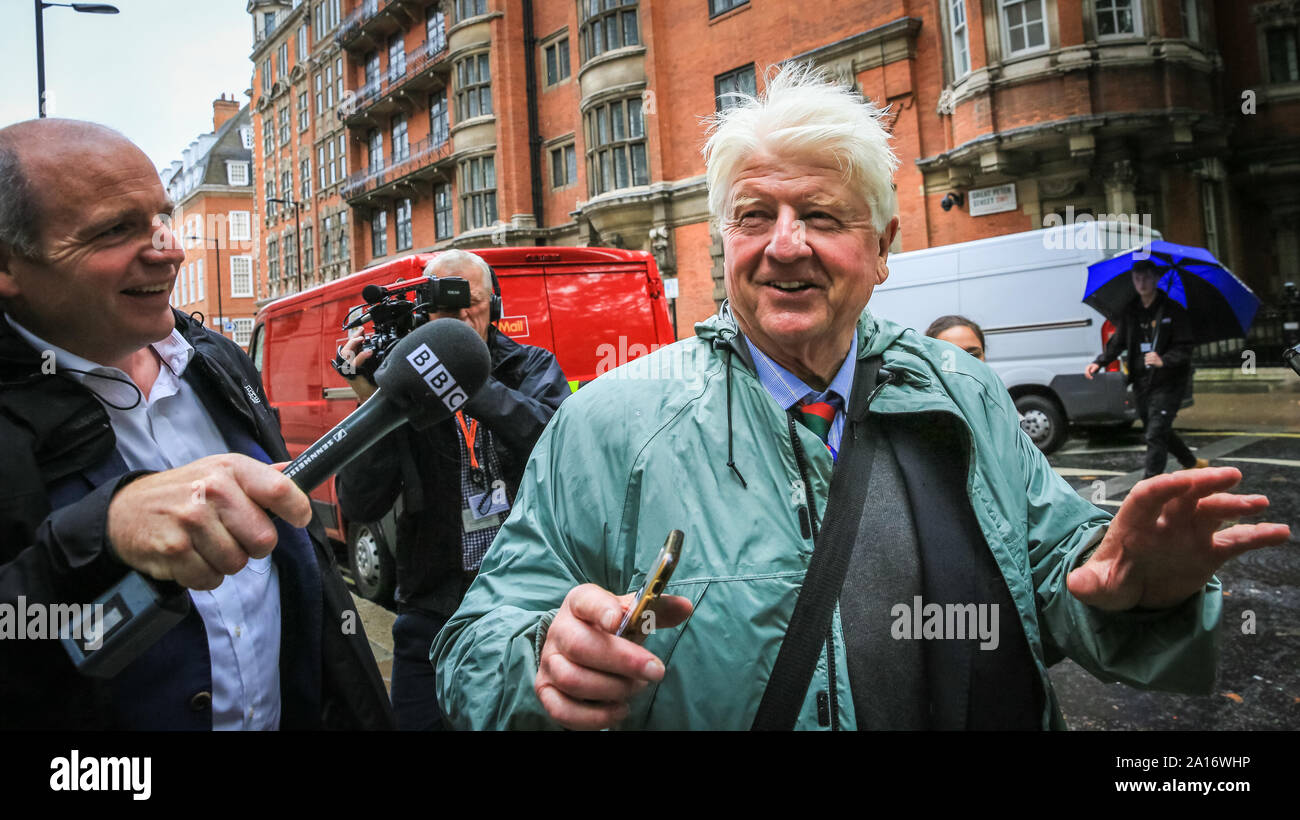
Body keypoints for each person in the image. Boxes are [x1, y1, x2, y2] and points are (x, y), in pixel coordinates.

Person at [431, 66, 1290, 730]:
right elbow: (470, 648)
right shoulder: (606, 424)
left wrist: (1134, 589)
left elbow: (1061, 580)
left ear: (882, 248)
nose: (785, 245)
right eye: (754, 214)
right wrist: (539, 663)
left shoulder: (963, 391)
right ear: (719, 241)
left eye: (824, 216)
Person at [0, 119, 393, 730]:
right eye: (115, 230)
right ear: (9, 265)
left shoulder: (216, 360)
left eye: (159, 218)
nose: (170, 249)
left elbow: (308, 587)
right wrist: (100, 535)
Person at [335, 249, 569, 730]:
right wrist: (375, 404)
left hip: (523, 601)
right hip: (431, 607)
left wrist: (460, 381)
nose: (461, 317)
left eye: (473, 304)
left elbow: (552, 439)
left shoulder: (532, 366)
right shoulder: (405, 384)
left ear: (495, 306)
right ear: (425, 314)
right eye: (446, 308)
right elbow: (360, 501)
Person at [1085, 260, 1208, 478]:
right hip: (1142, 381)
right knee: (1157, 428)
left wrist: (1164, 360)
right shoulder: (1131, 311)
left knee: (1155, 433)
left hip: (1169, 383)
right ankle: (1191, 462)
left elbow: (1185, 347)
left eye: (1146, 278)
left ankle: (1149, 486)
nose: (1141, 283)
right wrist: (1100, 361)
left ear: (1156, 279)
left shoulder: (1172, 310)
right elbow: (1118, 341)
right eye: (1137, 278)